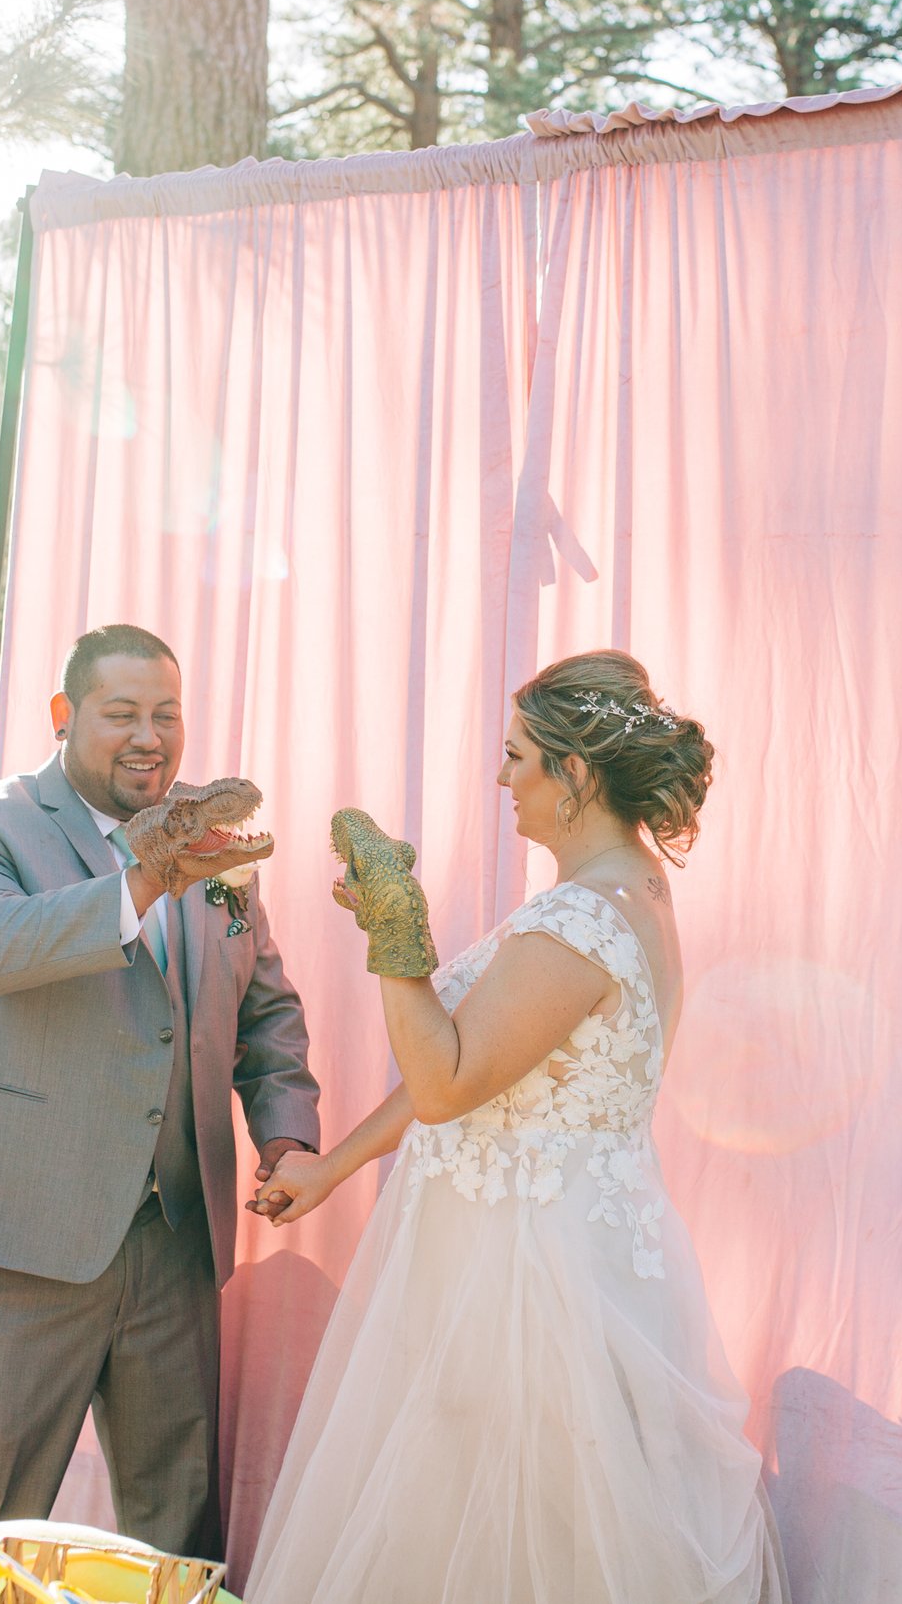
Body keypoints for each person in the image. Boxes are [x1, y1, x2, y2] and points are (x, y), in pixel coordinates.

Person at [247, 651, 787, 1604]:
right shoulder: (617, 893)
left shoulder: (585, 919)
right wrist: (333, 1166)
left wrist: (397, 942)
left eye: (516, 757)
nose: (502, 780)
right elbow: (476, 1063)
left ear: (573, 775)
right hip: (520, 1257)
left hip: (536, 1284)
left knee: (531, 1538)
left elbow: (448, 1080)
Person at [0, 623, 321, 1558]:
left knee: (179, 1534)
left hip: (174, 1246)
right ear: (62, 715)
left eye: (166, 714)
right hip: (12, 1240)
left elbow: (264, 1012)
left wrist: (288, 1136)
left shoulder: (216, 845)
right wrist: (152, 871)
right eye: (121, 712)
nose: (149, 736)